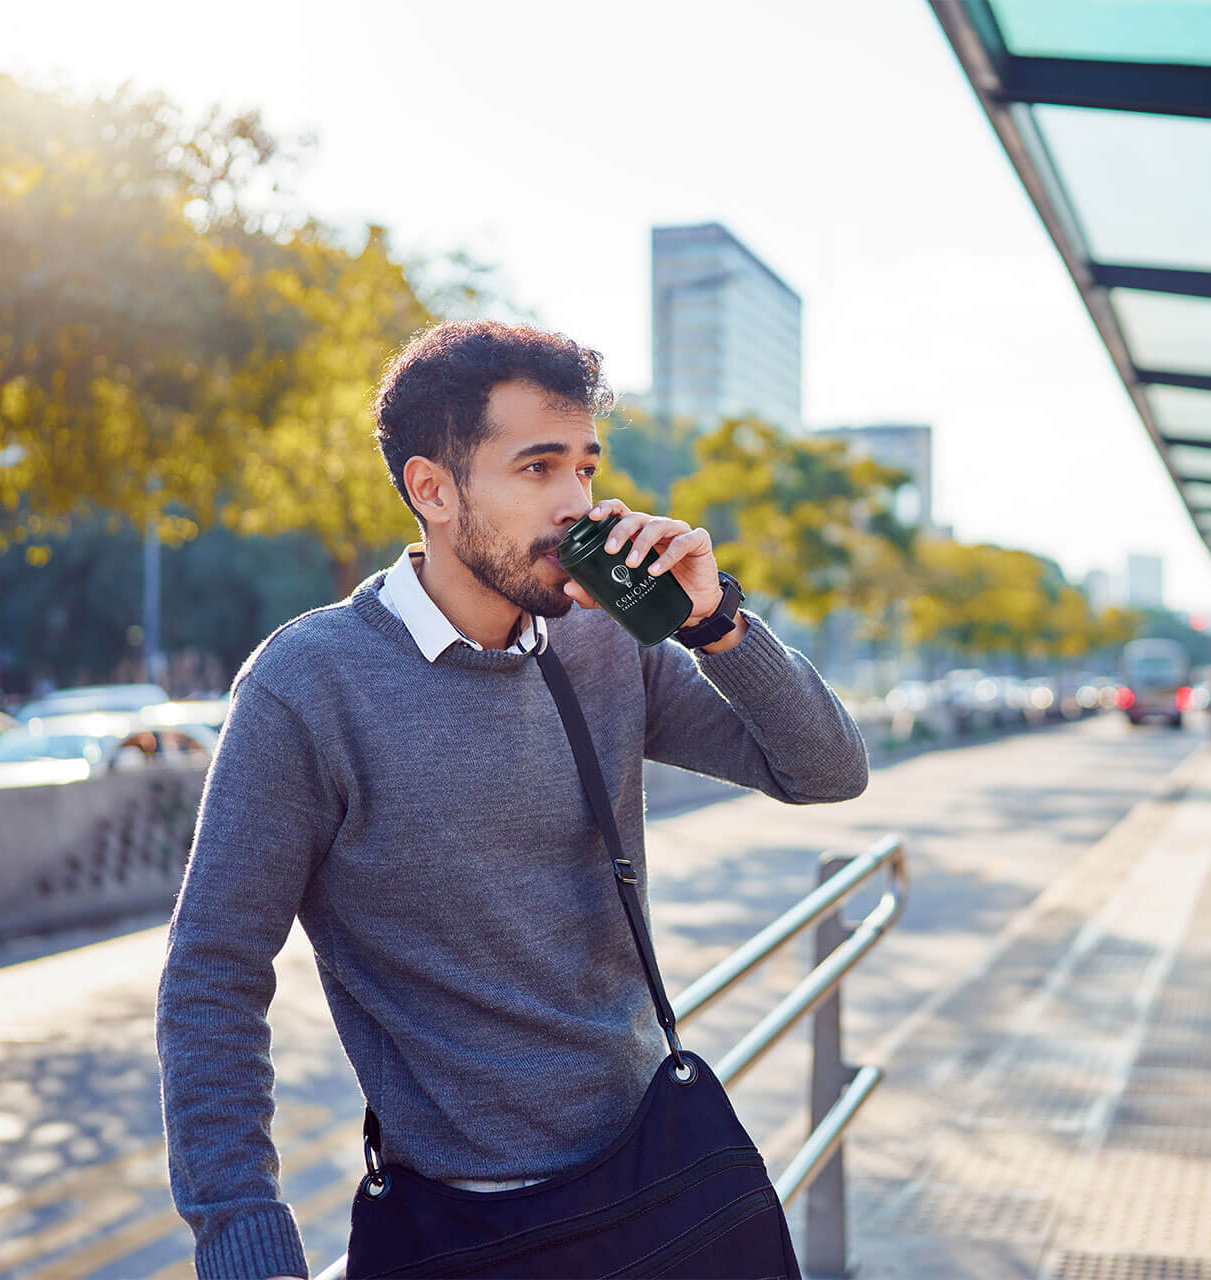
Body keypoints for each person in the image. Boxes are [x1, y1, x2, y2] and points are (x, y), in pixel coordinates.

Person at [154, 321, 869, 1280]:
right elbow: (212, 976)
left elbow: (826, 769)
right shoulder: (309, 685)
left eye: (584, 467)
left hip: (658, 1174)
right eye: (538, 469)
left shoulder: (605, 640)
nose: (578, 504)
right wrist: (248, 1245)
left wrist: (717, 624)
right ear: (433, 490)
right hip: (470, 1230)